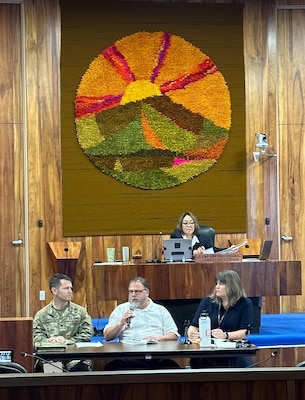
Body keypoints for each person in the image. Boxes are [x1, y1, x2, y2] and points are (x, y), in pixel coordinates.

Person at [103, 276, 180, 370]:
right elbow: (107, 336)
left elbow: (174, 335)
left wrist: (158, 338)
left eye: (137, 291)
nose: (133, 295)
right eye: (131, 292)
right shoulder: (121, 309)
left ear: (147, 292)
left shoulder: (160, 310)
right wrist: (120, 324)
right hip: (128, 357)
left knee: (174, 368)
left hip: (156, 357)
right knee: (110, 369)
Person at [187, 269, 253, 368]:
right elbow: (193, 326)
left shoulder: (245, 303)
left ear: (232, 286)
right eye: (216, 283)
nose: (217, 287)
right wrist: (192, 333)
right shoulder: (207, 302)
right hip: (208, 347)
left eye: (221, 284)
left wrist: (226, 335)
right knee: (197, 359)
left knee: (245, 363)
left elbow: (245, 332)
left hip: (232, 348)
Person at [33, 273, 93, 372]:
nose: (70, 291)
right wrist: (50, 341)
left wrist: (68, 341)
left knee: (80, 372)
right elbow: (37, 339)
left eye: (71, 288)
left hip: (75, 357)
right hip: (51, 358)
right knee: (52, 375)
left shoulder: (80, 312)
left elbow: (87, 334)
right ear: (54, 291)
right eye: (66, 288)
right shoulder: (41, 315)